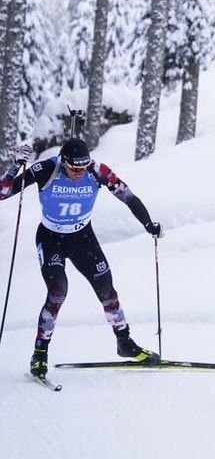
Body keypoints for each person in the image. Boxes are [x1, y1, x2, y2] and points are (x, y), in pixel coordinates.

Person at [0, 138, 163, 376]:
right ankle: (40, 354)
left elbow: (128, 196)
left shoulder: (97, 171)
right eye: (74, 168)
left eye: (83, 167)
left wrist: (149, 223)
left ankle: (124, 343)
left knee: (107, 288)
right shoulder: (45, 169)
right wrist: (16, 165)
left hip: (82, 237)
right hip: (50, 238)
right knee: (58, 290)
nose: (79, 172)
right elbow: (3, 193)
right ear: (63, 161)